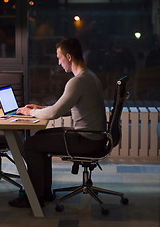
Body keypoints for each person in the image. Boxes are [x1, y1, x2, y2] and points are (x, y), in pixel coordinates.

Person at [9, 37, 107, 208]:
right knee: (40, 138)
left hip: (87, 141)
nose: (59, 63)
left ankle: (35, 197)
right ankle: (43, 192)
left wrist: (30, 112)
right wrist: (41, 107)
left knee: (32, 145)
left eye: (59, 58)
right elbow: (69, 107)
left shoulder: (77, 81)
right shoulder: (90, 76)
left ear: (69, 57)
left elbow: (54, 113)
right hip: (94, 137)